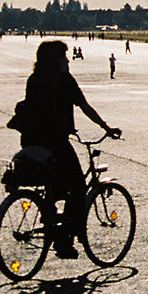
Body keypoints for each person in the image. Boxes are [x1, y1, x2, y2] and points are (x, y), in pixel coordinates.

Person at [14, 40, 120, 258]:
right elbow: (84, 106)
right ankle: (64, 239)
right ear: (57, 59)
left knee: (54, 182)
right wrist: (106, 127)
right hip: (55, 141)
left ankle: (50, 214)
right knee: (79, 188)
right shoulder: (63, 80)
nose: (68, 60)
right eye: (64, 56)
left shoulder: (34, 79)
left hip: (31, 141)